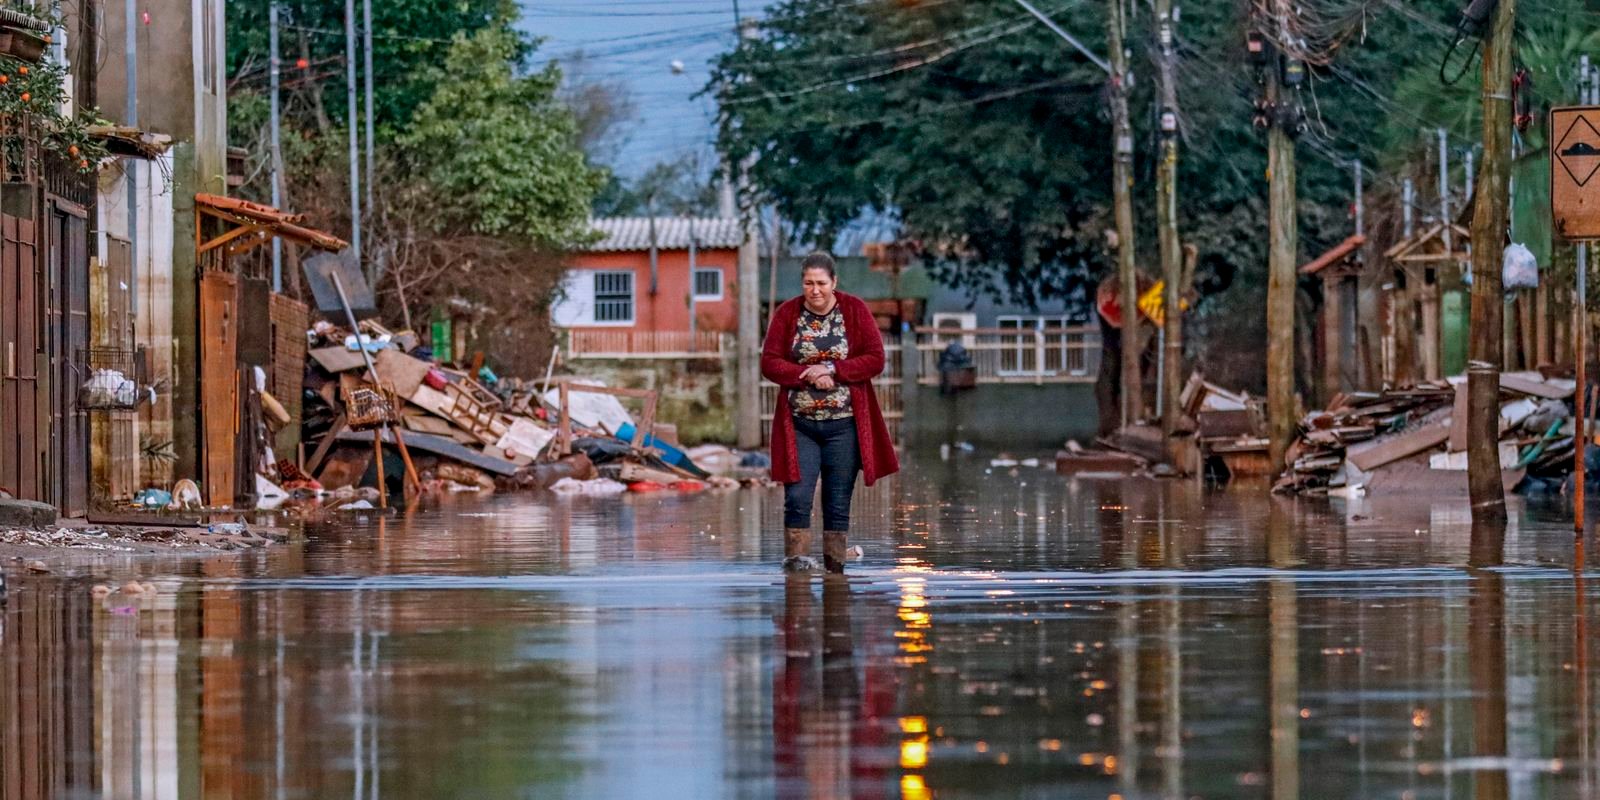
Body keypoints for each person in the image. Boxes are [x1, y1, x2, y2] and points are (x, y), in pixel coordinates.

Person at [762, 252, 900, 573]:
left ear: (834, 282)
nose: (815, 290)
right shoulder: (787, 314)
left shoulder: (855, 310)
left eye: (821, 283)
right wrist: (806, 373)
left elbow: (875, 358)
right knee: (798, 497)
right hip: (800, 424)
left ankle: (835, 574)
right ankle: (796, 570)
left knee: (837, 504)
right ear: (802, 284)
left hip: (845, 426)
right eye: (808, 283)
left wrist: (833, 369)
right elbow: (769, 362)